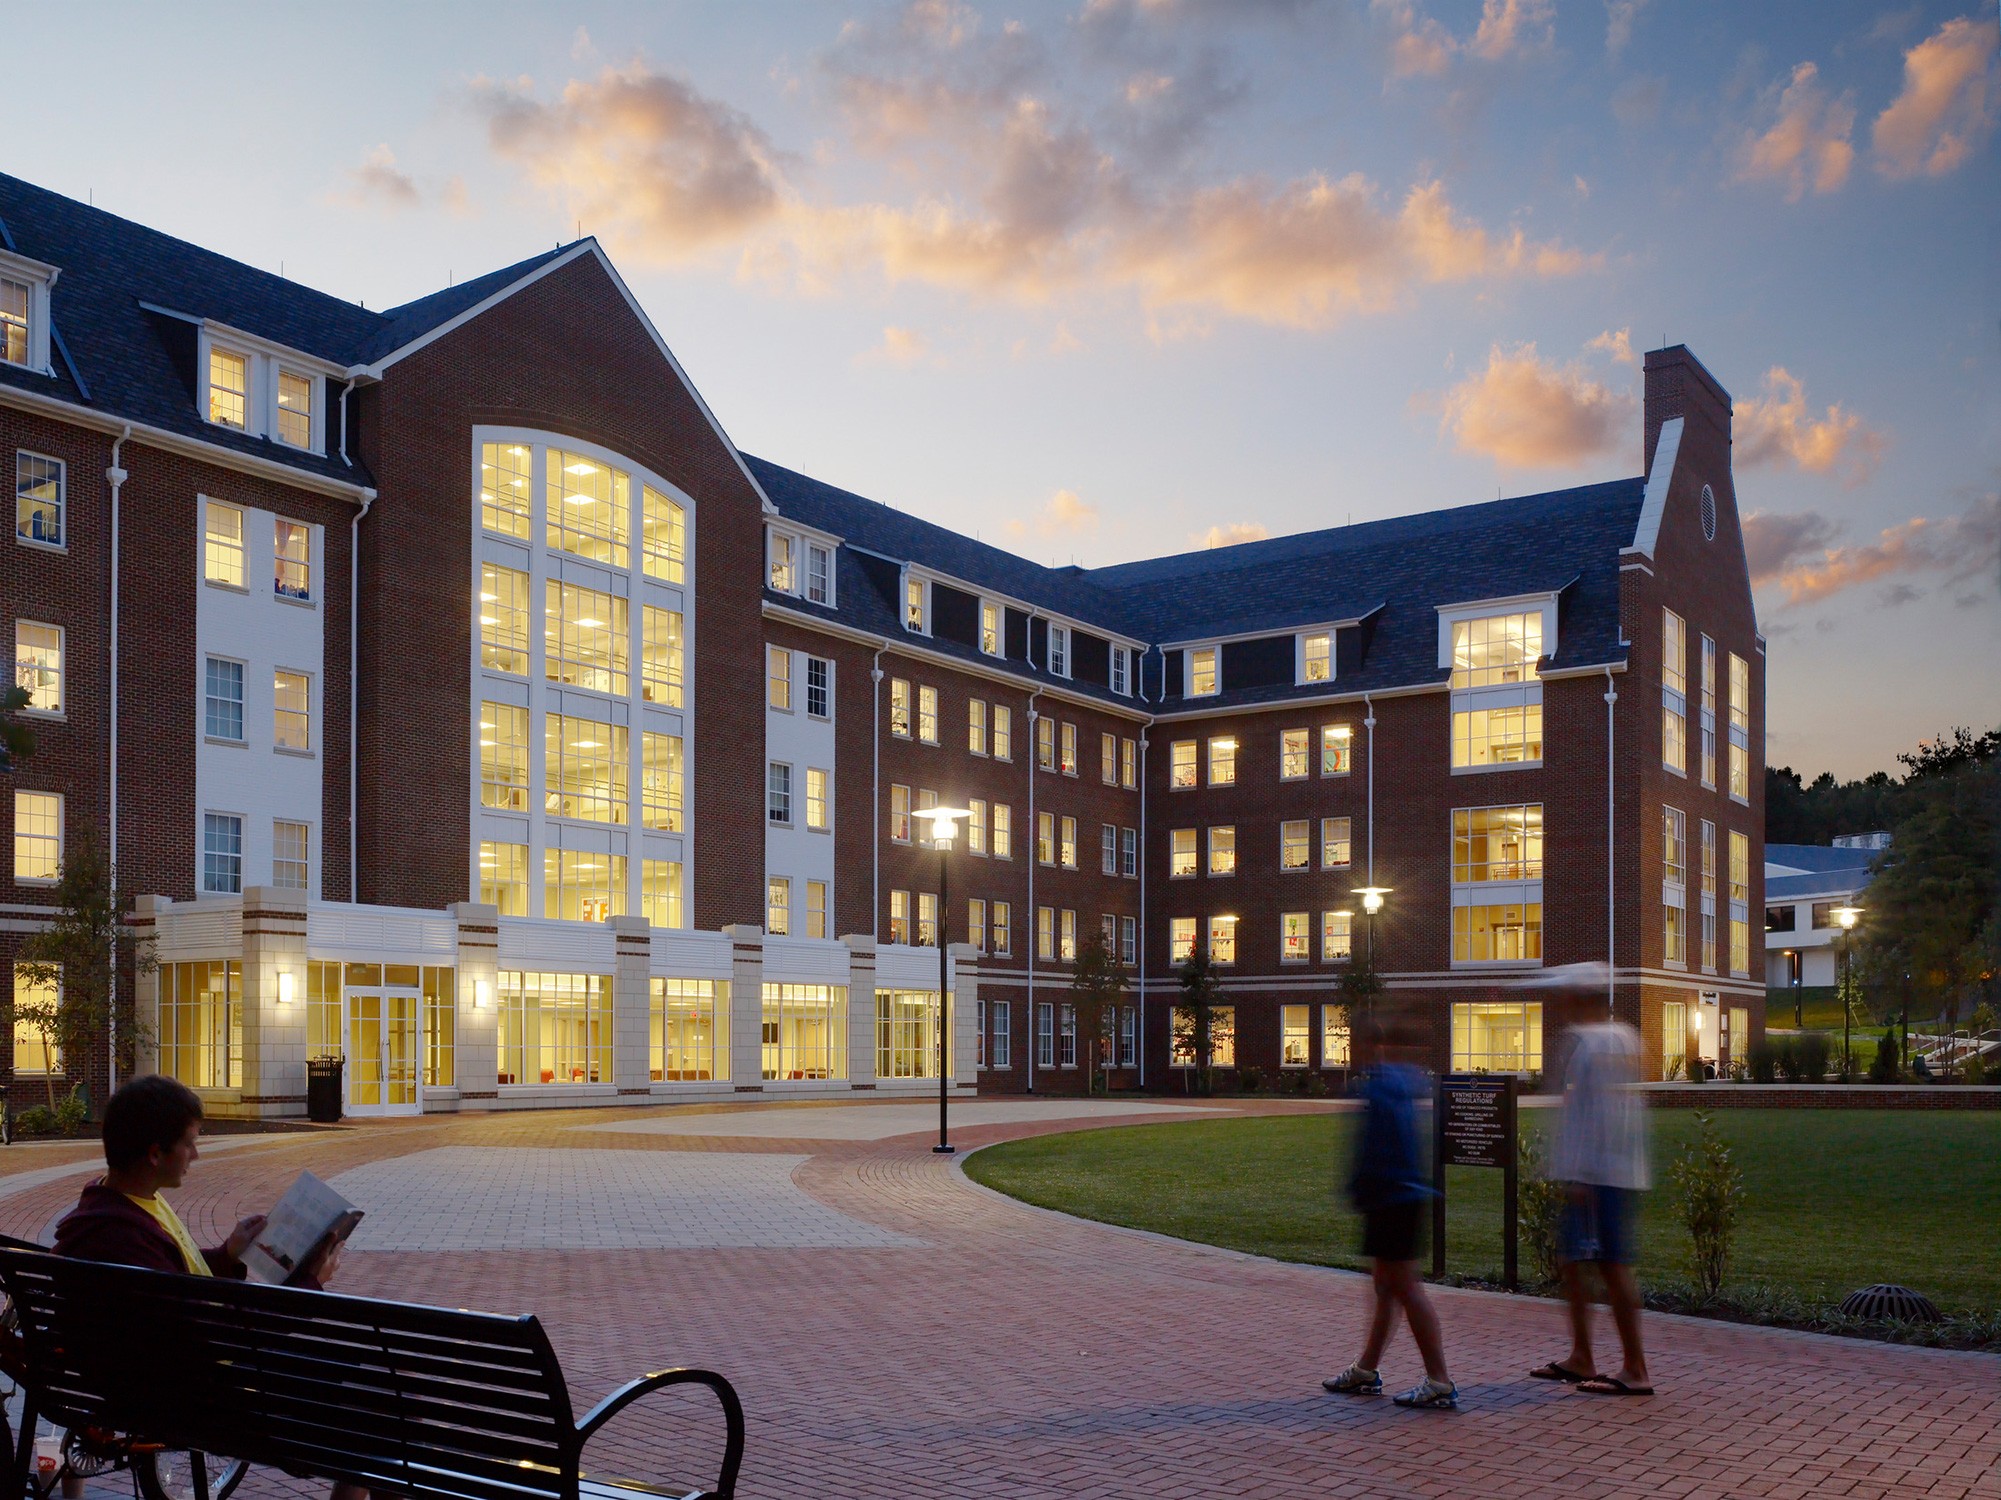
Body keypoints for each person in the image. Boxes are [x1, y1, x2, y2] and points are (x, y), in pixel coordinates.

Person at [1323, 1015, 1457, 1410]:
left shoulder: (1382, 1089)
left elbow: (1382, 1149)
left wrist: (1361, 1189)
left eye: (1357, 1046)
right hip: (1399, 1197)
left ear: (1371, 1047)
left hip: (1393, 1198)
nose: (1354, 1054)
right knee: (1386, 1286)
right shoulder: (1397, 1084)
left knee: (1405, 1287)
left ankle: (1440, 1380)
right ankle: (1366, 1370)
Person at [1531, 986, 1654, 1396]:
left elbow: (1597, 1114)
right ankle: (1582, 1354)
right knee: (1575, 1261)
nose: (1562, 1005)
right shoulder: (1620, 1038)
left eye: (1569, 998)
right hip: (1608, 1171)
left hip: (1600, 1176)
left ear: (1586, 1000)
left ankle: (1634, 1368)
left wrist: (1581, 1173)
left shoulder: (1595, 1046)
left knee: (1611, 1266)